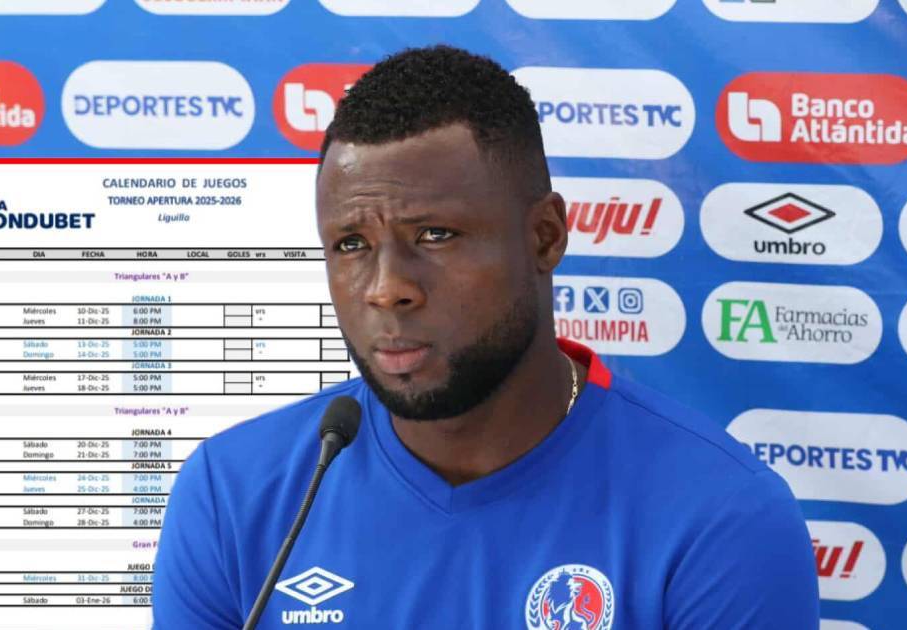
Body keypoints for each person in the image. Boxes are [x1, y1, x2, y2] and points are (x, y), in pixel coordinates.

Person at [152, 45, 819, 629]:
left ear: (545, 238)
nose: (386, 288)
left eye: (434, 234)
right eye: (351, 244)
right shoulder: (232, 493)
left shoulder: (720, 515)